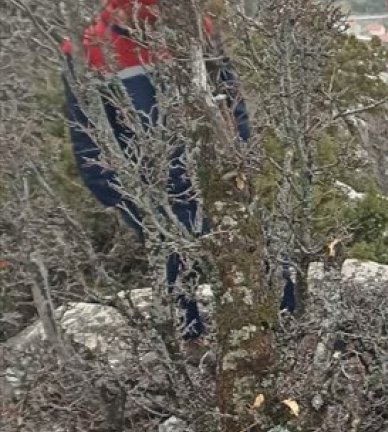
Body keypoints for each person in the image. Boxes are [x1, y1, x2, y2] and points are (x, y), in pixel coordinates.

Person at [62, 0, 292, 341]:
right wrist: (122, 198)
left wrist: (241, 158)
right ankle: (193, 350)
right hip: (153, 193)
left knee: (264, 259)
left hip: (215, 177)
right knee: (177, 281)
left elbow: (230, 99)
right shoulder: (87, 50)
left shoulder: (193, 28)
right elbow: (87, 136)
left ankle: (283, 335)